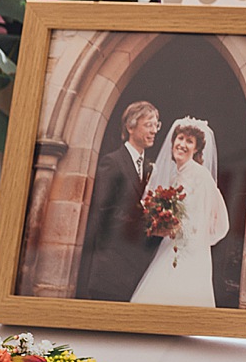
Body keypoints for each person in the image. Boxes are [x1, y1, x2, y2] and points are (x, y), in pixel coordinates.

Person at [131, 118, 229, 308]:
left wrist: (196, 238)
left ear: (197, 149)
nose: (182, 144)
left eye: (189, 141)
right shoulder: (176, 176)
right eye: (180, 138)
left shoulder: (201, 176)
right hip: (170, 247)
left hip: (190, 254)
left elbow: (221, 222)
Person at [76, 101, 162, 301]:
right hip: (111, 272)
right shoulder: (112, 162)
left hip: (136, 272)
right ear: (130, 127)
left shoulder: (150, 169)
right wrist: (149, 226)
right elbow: (105, 215)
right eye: (148, 124)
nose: (154, 131)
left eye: (156, 125)